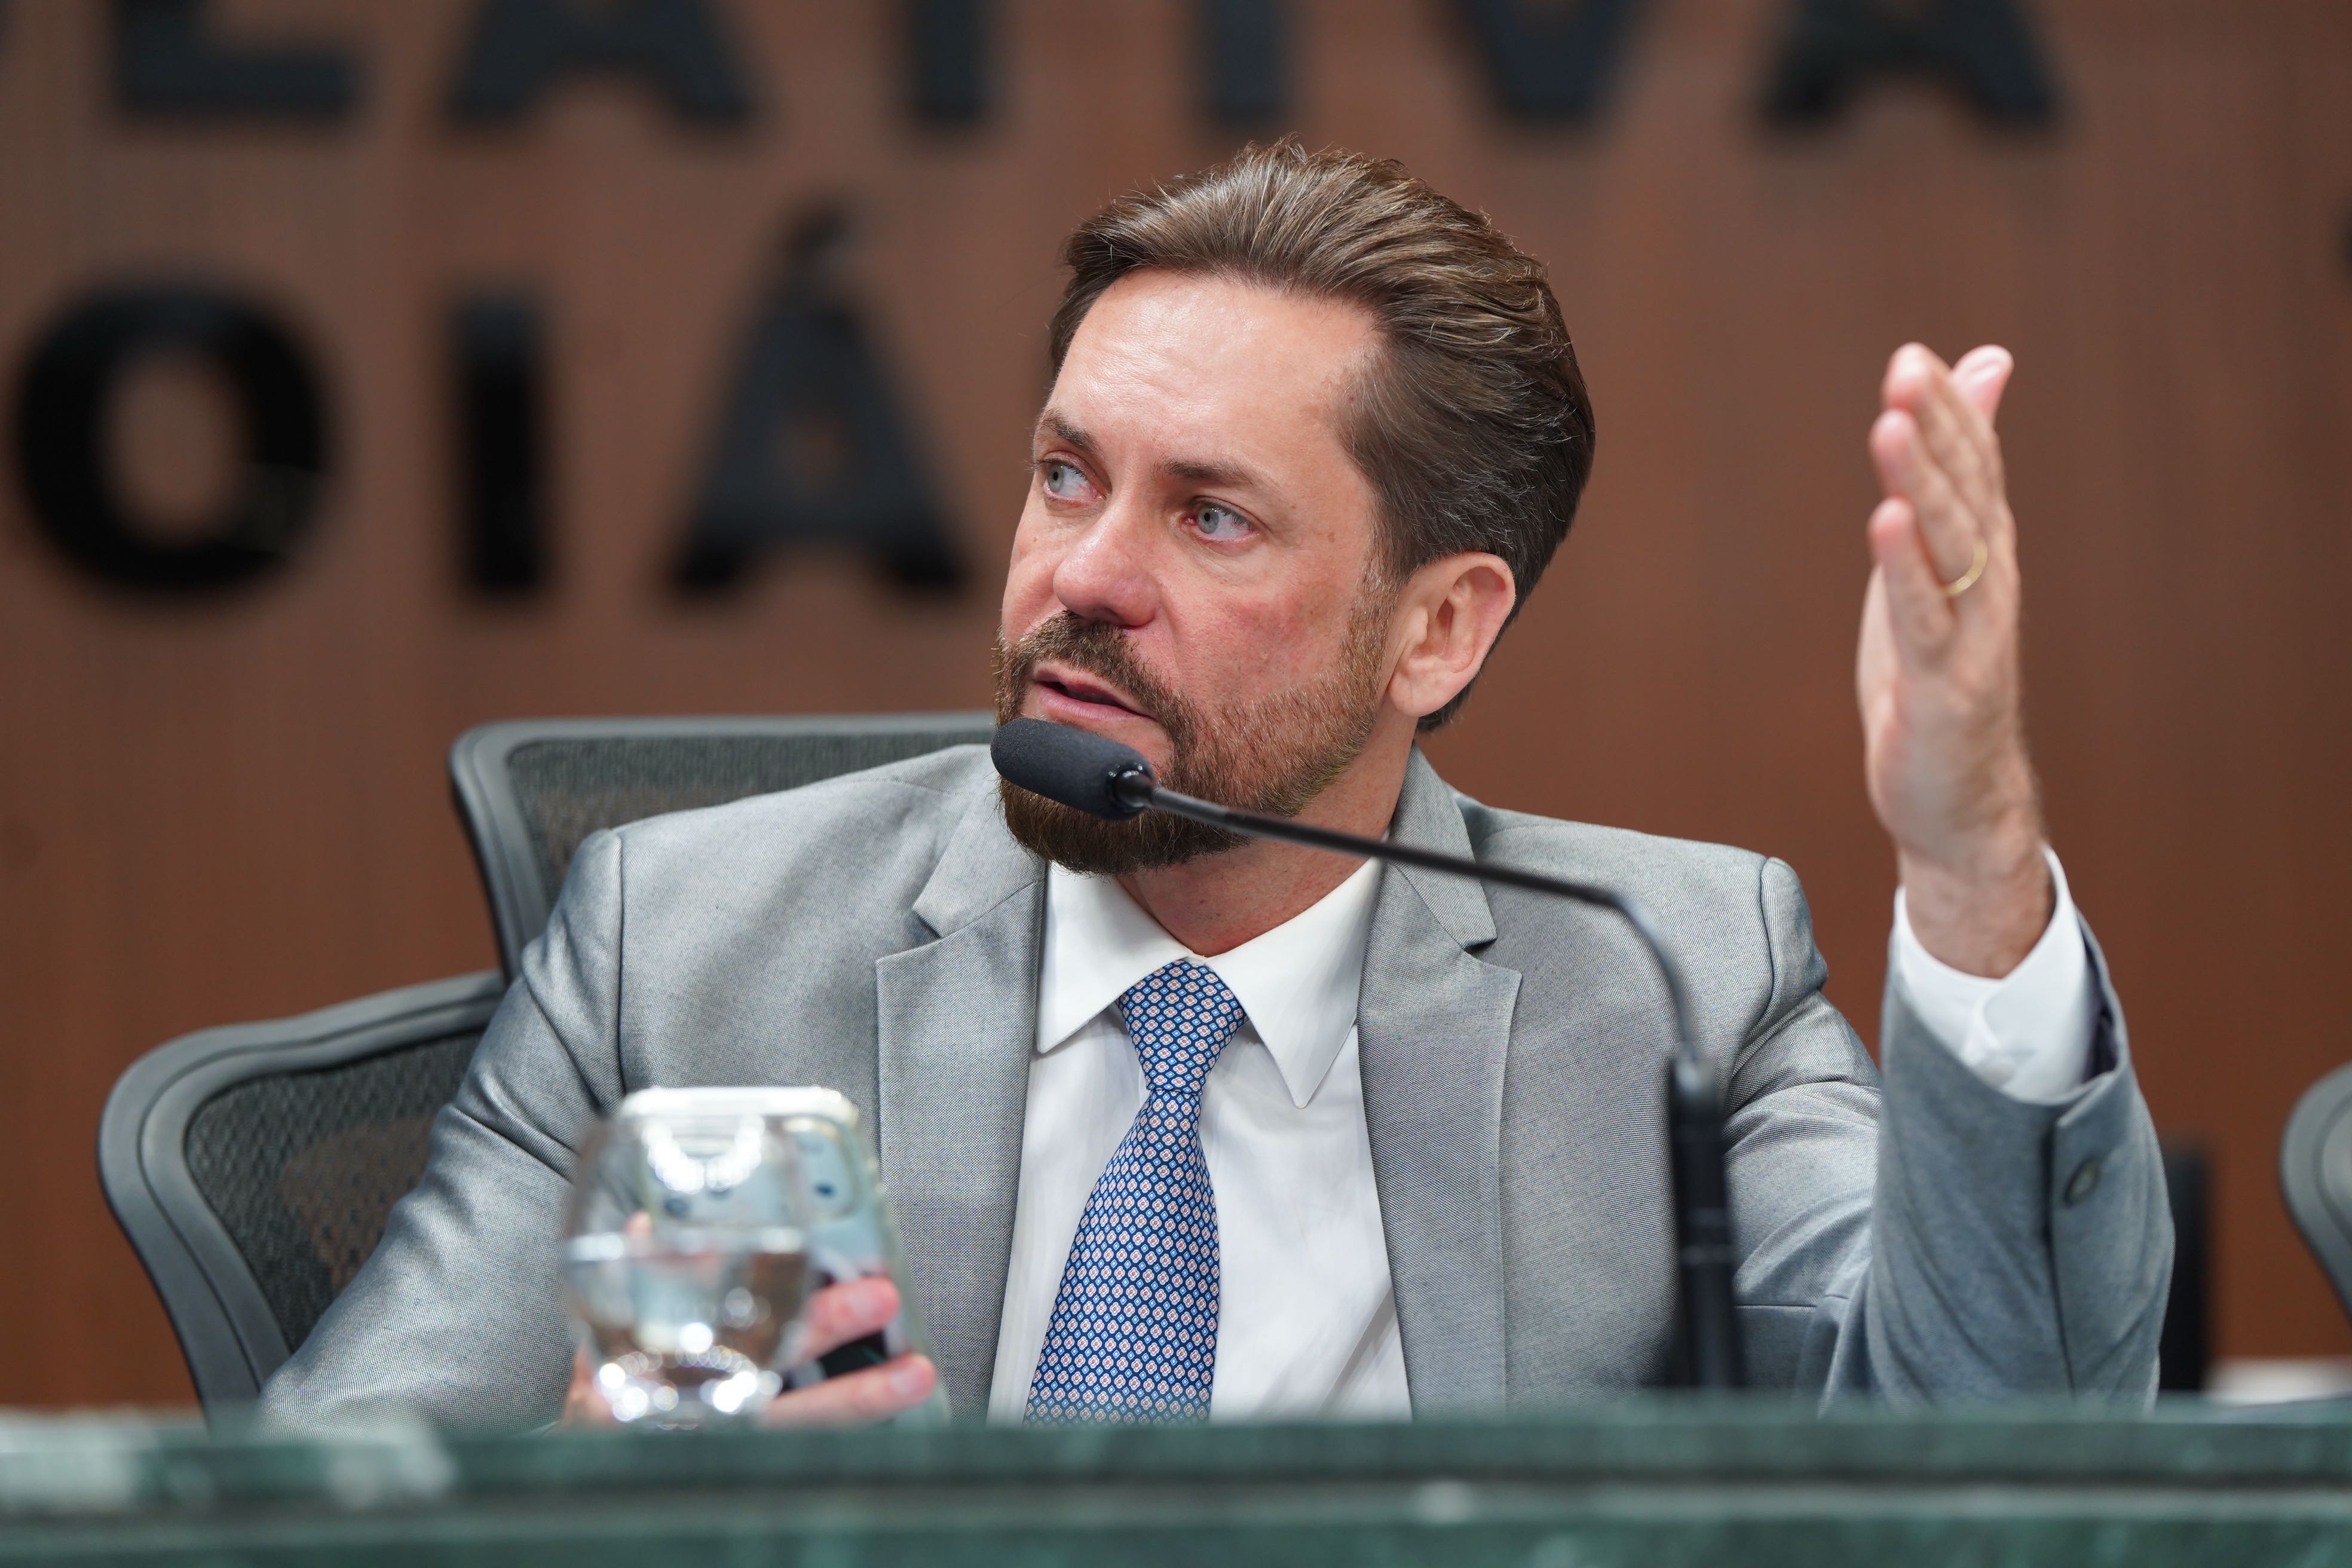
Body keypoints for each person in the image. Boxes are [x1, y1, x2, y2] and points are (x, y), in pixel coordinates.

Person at [261, 142, 2167, 1431]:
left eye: (1213, 516)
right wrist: (583, 1509)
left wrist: (1972, 860)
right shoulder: (691, 954)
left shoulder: (1668, 977)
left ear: (1437, 631)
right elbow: (306, 1519)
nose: (1082, 575)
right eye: (1068, 475)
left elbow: (2000, 1445)